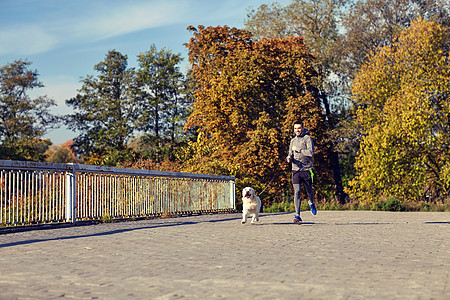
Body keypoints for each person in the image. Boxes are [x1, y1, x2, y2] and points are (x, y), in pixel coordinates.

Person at [286, 120, 317, 224]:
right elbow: (290, 153)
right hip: (295, 169)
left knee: (309, 192)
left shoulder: (307, 139)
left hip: (307, 169)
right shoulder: (292, 141)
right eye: (295, 128)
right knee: (297, 192)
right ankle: (297, 215)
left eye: (299, 128)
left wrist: (299, 150)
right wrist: (289, 158)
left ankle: (311, 202)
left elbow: (310, 152)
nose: (297, 130)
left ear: (303, 128)